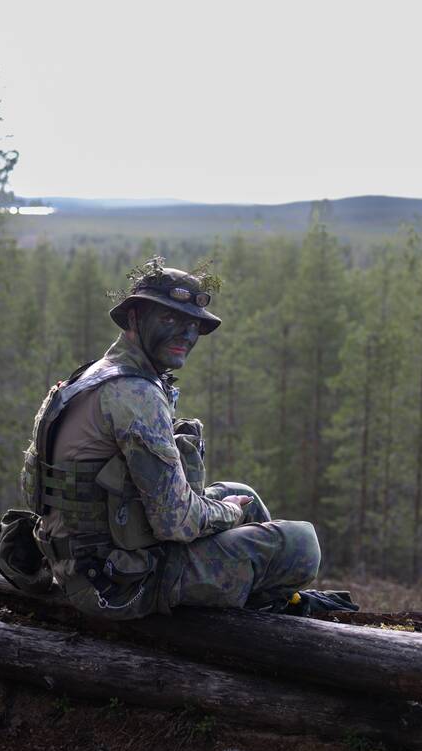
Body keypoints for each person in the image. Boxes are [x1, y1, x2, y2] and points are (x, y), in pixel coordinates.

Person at [17, 259, 328, 619]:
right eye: (169, 319)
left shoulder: (89, 376)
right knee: (301, 544)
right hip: (116, 583)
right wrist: (229, 513)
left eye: (193, 325)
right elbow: (175, 521)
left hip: (84, 560)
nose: (186, 335)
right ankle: (252, 619)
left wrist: (227, 508)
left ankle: (257, 605)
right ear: (134, 318)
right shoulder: (134, 393)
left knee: (243, 495)